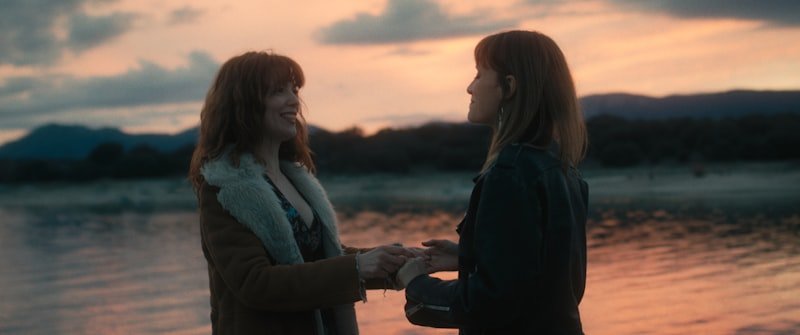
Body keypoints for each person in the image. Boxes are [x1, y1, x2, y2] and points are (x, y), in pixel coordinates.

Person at [188, 51, 416, 335]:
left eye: (294, 90)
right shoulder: (223, 189)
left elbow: (315, 258)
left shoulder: (294, 178)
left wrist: (397, 261)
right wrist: (356, 267)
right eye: (277, 91)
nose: (294, 101)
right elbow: (255, 283)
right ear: (243, 104)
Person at [397, 30, 590, 334]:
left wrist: (416, 284)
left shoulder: (510, 173)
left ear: (509, 86)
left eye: (479, 74)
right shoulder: (564, 170)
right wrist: (469, 256)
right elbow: (550, 280)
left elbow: (489, 304)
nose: (469, 87)